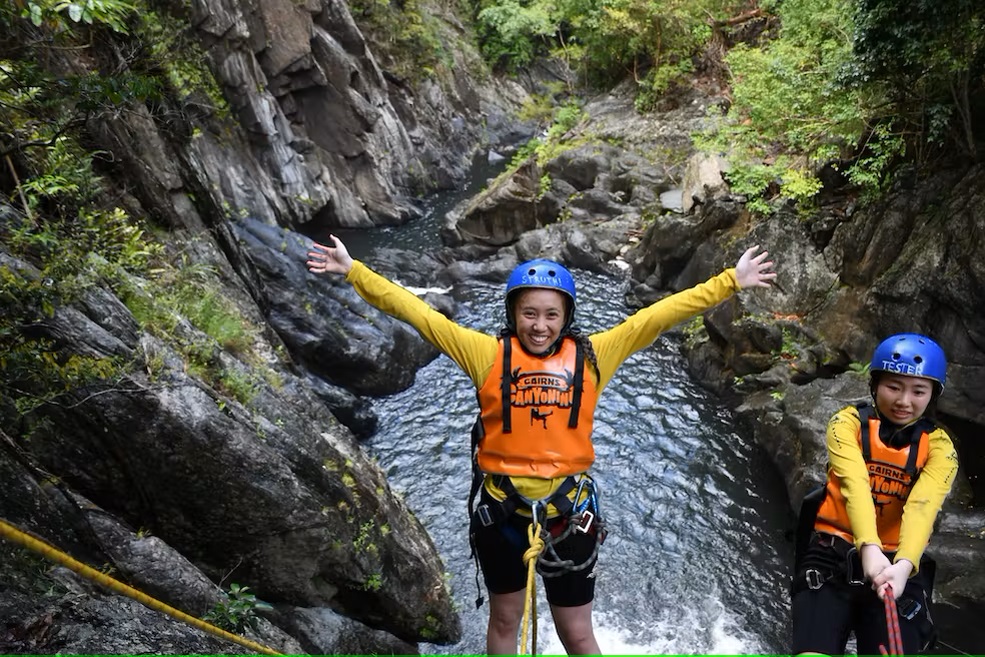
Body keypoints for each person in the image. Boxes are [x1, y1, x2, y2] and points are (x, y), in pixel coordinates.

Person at [307, 236, 776, 655]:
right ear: (513, 314)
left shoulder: (594, 356)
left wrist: (730, 280)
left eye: (551, 315)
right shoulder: (485, 354)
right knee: (506, 620)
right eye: (529, 313)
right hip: (501, 515)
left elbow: (655, 317)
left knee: (576, 633)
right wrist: (354, 271)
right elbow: (419, 314)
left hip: (568, 517)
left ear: (566, 317)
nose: (539, 325)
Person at [791, 333, 960, 655]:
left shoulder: (941, 448)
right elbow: (854, 483)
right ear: (875, 384)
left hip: (898, 564)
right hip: (832, 556)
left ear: (932, 395)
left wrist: (905, 565)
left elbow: (923, 506)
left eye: (918, 391)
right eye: (893, 387)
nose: (904, 401)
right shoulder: (847, 424)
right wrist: (868, 546)